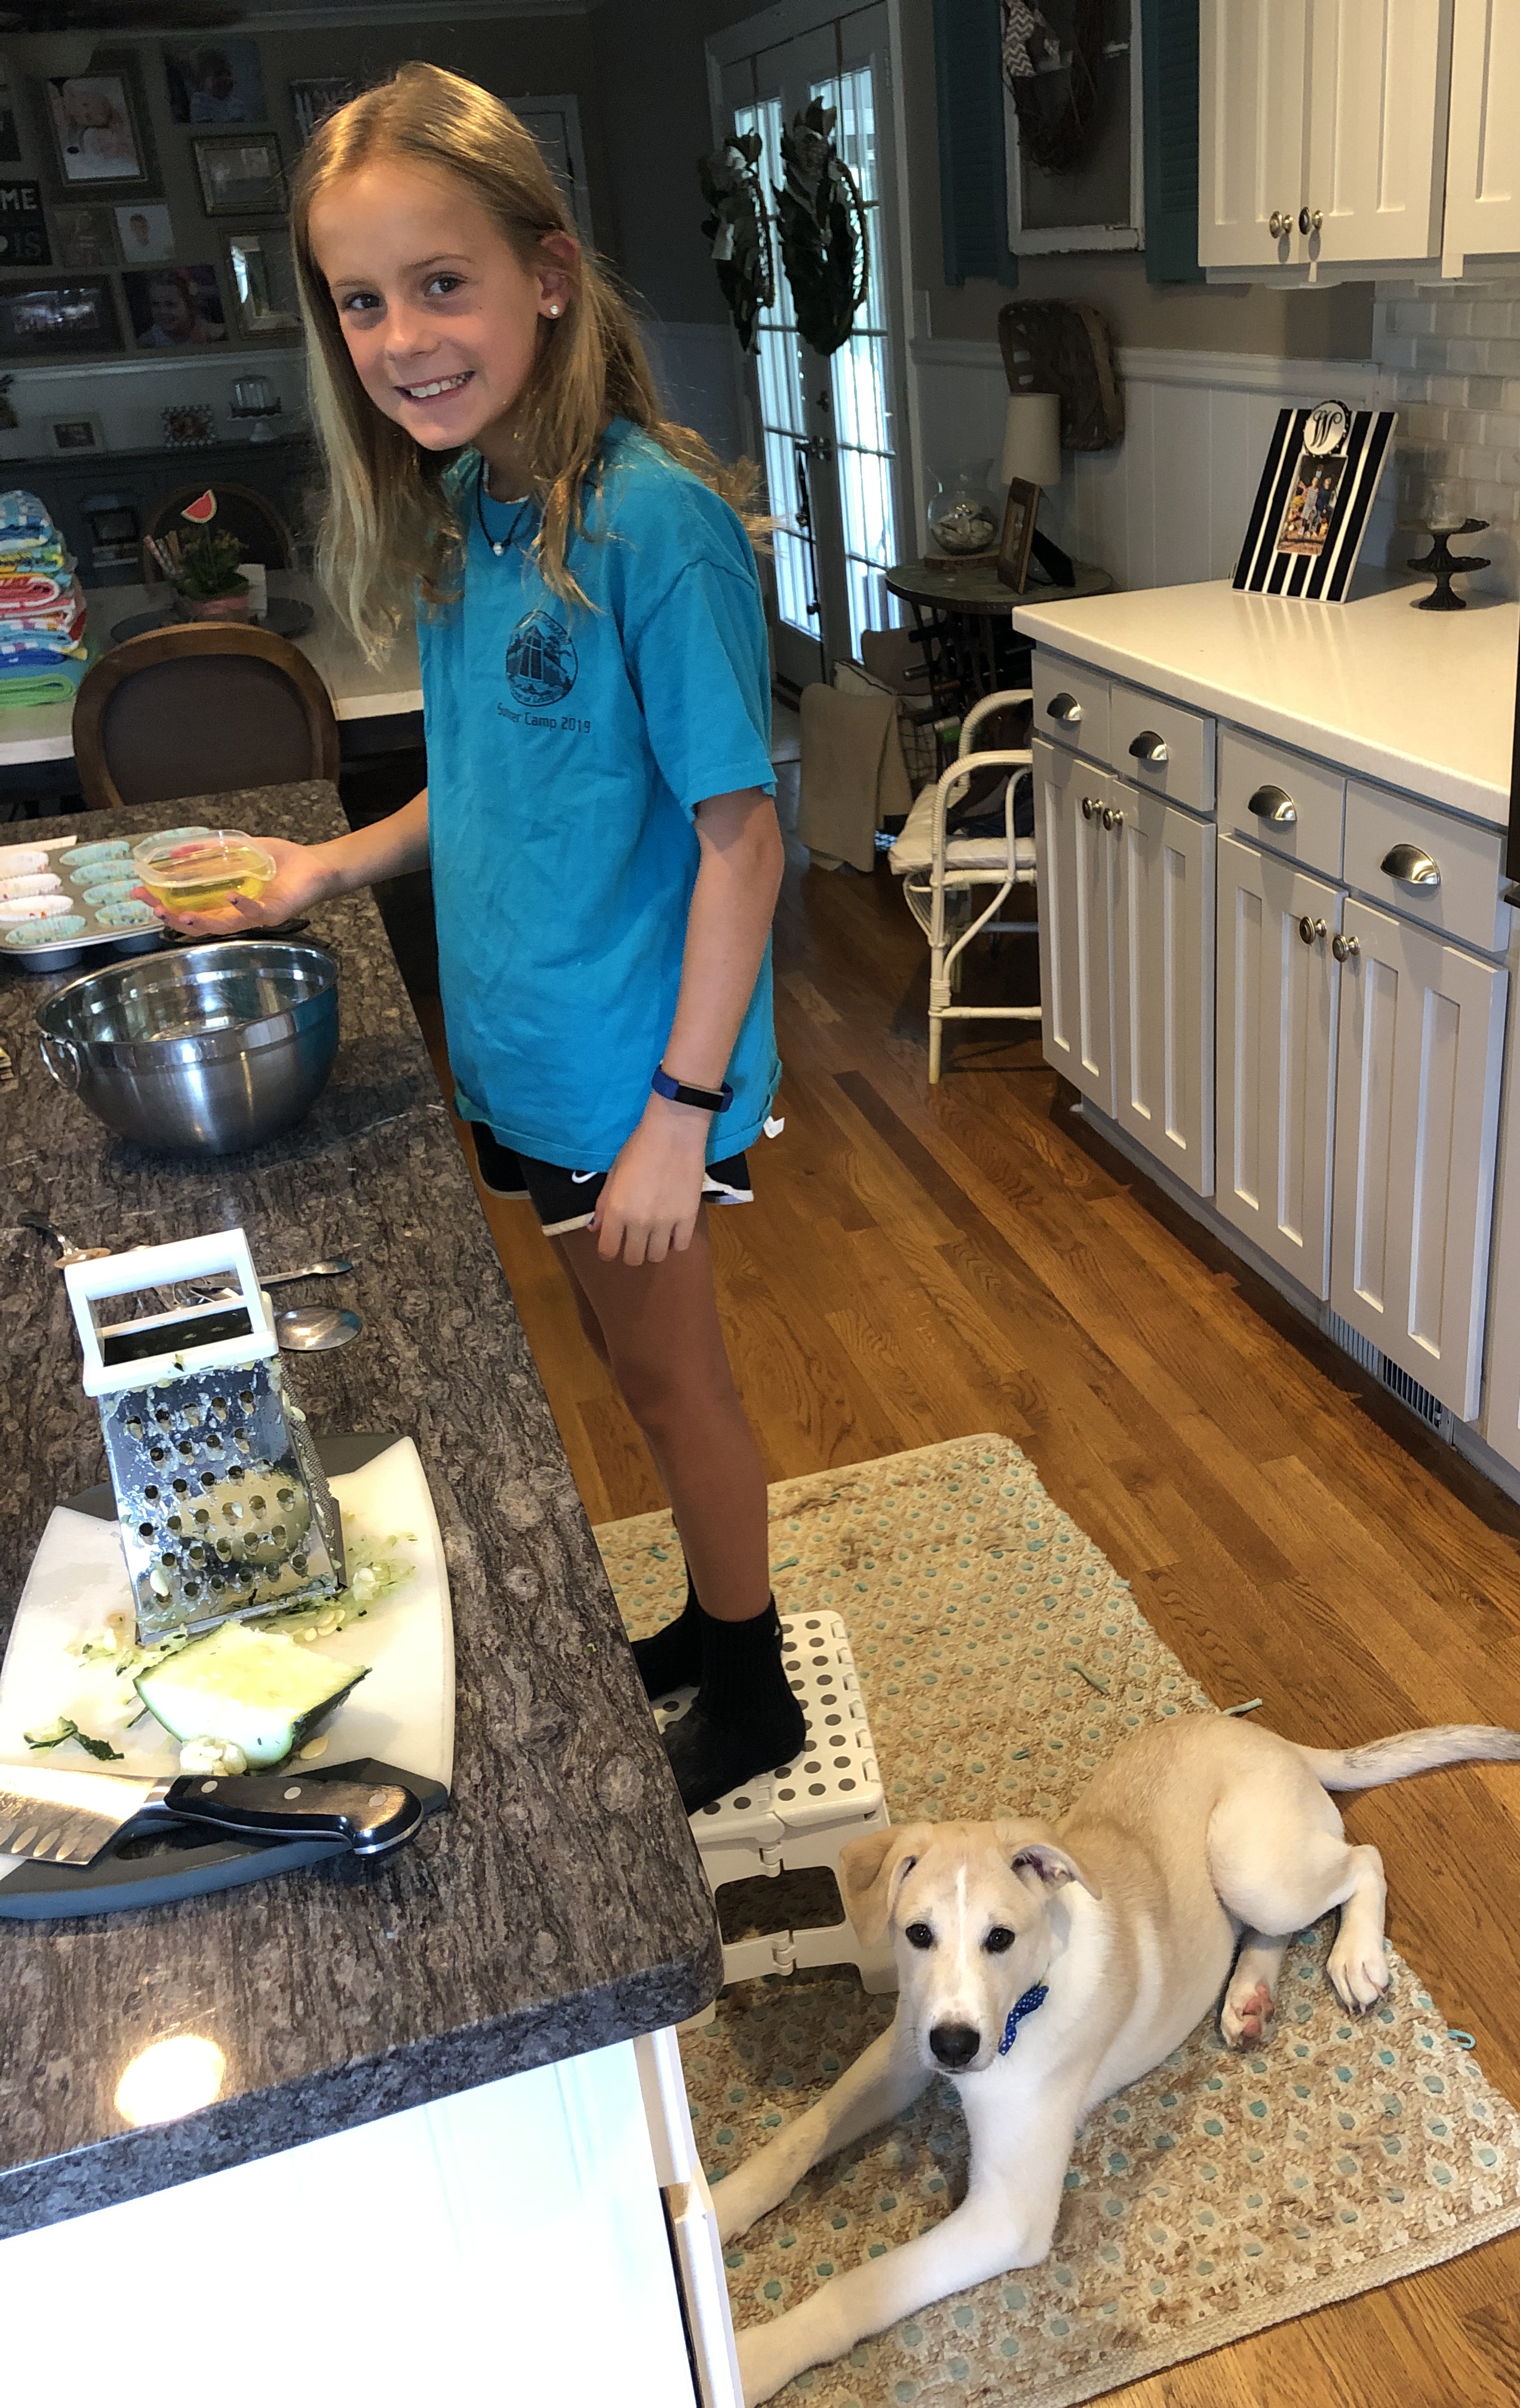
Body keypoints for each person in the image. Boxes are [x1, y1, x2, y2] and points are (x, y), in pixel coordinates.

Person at [140, 62, 801, 1813]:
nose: (405, 338)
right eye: (363, 301)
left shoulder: (650, 522)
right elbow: (499, 778)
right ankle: (712, 1620)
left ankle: (754, 1692)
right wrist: (323, 869)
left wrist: (678, 1114)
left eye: (443, 283)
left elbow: (743, 840)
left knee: (676, 1386)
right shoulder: (475, 506)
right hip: (529, 1048)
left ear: (548, 274)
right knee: (633, 1373)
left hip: (630, 1070)